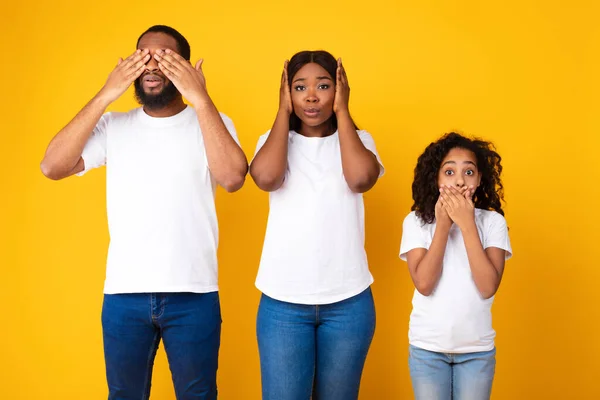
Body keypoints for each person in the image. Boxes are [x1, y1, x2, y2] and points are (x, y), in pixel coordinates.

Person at [40, 25, 247, 399]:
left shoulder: (212, 122)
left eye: (164, 57)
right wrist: (107, 93)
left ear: (184, 65)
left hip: (194, 293)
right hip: (124, 296)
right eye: (142, 56)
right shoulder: (114, 126)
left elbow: (233, 178)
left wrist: (200, 98)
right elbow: (52, 166)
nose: (150, 65)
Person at [249, 50, 384, 400]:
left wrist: (343, 112)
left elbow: (360, 178)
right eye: (299, 87)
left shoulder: (359, 141)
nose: (311, 96)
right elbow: (265, 178)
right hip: (283, 303)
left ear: (339, 90)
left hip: (349, 303)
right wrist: (281, 112)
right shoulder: (273, 142)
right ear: (287, 93)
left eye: (324, 86)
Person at [399, 132, 512, 400]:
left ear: (480, 178)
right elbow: (424, 284)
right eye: (449, 172)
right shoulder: (415, 222)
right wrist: (443, 225)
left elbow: (487, 287)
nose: (460, 180)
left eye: (469, 172)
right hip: (427, 349)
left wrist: (467, 223)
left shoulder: (492, 223)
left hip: (477, 351)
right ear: (435, 178)